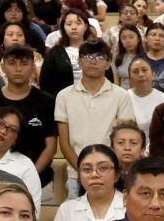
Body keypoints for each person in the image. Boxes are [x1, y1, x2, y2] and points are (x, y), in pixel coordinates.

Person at [54, 39, 130, 197]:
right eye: (88, 57)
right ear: (79, 61)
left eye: (100, 57)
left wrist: (106, 170)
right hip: (76, 174)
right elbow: (64, 142)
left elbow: (124, 138)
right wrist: (84, 170)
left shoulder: (121, 96)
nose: (93, 62)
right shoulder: (64, 96)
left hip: (111, 174)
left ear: (108, 63)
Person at [0, 45, 57, 192]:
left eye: (24, 64)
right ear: (3, 67)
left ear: (33, 67)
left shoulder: (46, 101)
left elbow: (50, 147)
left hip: (39, 179)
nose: (18, 69)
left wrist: (29, 175)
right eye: (12, 63)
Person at [47, 144, 126, 221]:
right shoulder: (67, 209)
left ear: (117, 175)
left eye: (103, 168)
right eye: (87, 169)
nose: (94, 174)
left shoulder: (131, 206)